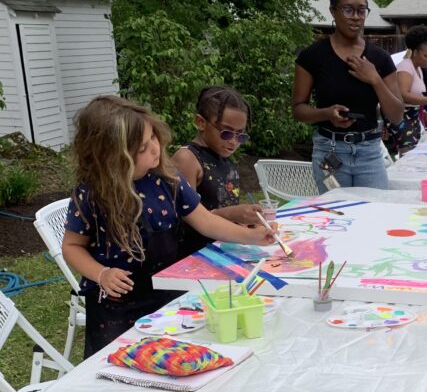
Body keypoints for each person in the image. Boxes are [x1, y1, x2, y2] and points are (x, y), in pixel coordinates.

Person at [62, 95, 277, 358]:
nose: (154, 148)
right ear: (111, 157)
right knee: (121, 366)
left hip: (167, 292)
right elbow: (72, 246)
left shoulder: (167, 178)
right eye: (142, 148)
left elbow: (205, 221)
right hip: (117, 307)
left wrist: (252, 237)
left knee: (172, 360)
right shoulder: (92, 193)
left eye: (153, 137)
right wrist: (101, 273)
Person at [293, 0, 404, 191]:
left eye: (361, 11)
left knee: (374, 215)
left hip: (370, 152)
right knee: (336, 218)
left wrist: (375, 79)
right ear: (333, 11)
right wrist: (326, 113)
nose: (356, 17)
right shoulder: (312, 57)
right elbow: (298, 109)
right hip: (329, 150)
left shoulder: (379, 59)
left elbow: (396, 115)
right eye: (348, 10)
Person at [172, 85, 262, 256]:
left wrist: (244, 220)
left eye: (241, 135)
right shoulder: (187, 159)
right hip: (195, 256)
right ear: (201, 122)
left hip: (223, 248)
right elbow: (183, 221)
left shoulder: (221, 154)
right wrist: (230, 215)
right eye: (226, 133)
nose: (234, 142)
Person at [385, 25, 427, 155]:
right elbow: (404, 95)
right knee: (407, 156)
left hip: (415, 117)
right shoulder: (406, 67)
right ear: (415, 52)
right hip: (403, 118)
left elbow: (417, 93)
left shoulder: (418, 68)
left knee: (414, 153)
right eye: (425, 56)